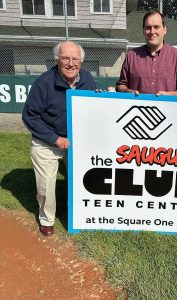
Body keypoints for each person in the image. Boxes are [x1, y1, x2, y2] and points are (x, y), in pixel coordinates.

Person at [22, 41, 96, 236]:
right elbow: (29, 116)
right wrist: (55, 138)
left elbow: (92, 110)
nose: (71, 63)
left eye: (75, 59)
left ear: (81, 61)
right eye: (65, 58)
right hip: (47, 141)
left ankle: (81, 215)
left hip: (75, 142)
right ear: (57, 60)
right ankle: (47, 219)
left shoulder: (87, 79)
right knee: (45, 184)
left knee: (85, 179)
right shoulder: (44, 82)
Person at [116, 10, 177, 95]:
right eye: (148, 27)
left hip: (166, 108)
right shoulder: (131, 56)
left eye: (156, 27)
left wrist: (170, 95)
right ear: (143, 30)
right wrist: (128, 91)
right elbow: (121, 85)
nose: (152, 32)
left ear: (165, 29)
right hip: (137, 107)